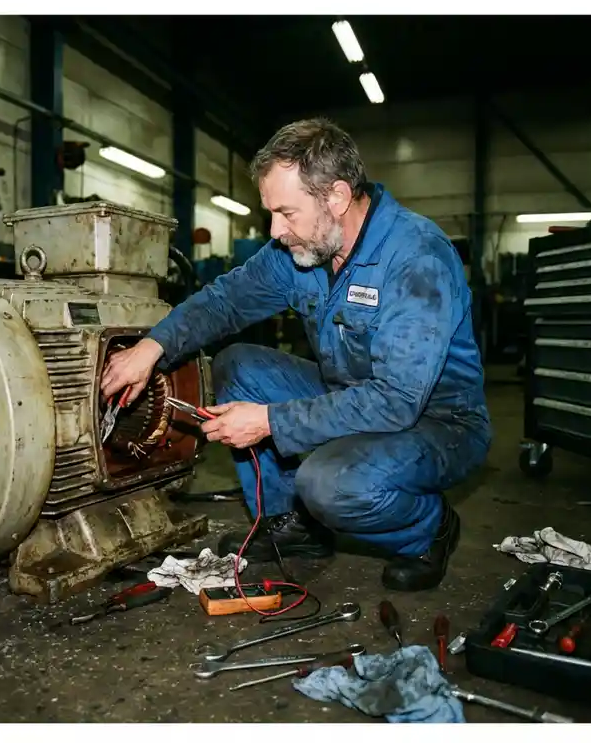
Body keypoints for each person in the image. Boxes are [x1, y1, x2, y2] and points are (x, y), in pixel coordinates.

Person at [101, 118, 491, 592]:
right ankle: (293, 526)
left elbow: (395, 401)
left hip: (437, 421)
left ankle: (429, 529)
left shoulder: (417, 260)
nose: (276, 230)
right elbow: (227, 299)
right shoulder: (303, 249)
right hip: (348, 391)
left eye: (286, 213)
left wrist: (270, 421)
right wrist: (152, 347)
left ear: (338, 198)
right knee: (239, 364)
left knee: (329, 483)